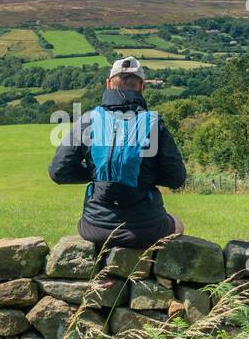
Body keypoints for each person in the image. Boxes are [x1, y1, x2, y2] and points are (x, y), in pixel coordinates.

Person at [49, 55, 187, 249]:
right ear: (142, 86)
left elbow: (58, 171)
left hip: (95, 227)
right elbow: (176, 178)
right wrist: (144, 175)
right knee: (178, 223)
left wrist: (98, 173)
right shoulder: (154, 123)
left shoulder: (88, 120)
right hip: (146, 228)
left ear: (108, 84)